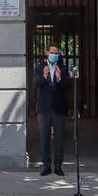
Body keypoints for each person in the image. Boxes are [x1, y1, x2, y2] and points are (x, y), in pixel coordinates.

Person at [33, 44, 70, 177]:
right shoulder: (39, 67)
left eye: (57, 53)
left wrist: (60, 79)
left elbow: (68, 86)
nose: (54, 55)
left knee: (60, 139)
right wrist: (43, 76)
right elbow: (35, 84)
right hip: (44, 109)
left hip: (59, 109)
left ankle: (58, 166)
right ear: (47, 53)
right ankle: (46, 166)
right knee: (44, 138)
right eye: (52, 52)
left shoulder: (63, 68)